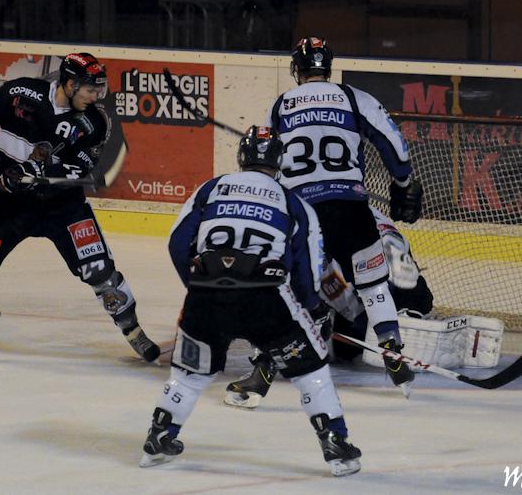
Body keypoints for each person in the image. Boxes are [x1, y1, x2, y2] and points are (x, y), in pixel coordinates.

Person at [140, 126, 361, 477]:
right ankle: (335, 442)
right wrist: (310, 306)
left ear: (242, 157)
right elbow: (308, 267)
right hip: (266, 300)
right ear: (279, 161)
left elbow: (177, 243)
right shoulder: (294, 203)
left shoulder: (211, 188)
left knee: (189, 374)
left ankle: (160, 436)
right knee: (312, 371)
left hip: (207, 297)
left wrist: (198, 286)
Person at [0, 52, 160, 363]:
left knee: (99, 272)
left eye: (98, 89)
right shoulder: (20, 93)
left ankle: (133, 330)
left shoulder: (94, 122)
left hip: (64, 209)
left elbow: (81, 170)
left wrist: (36, 173)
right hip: (8, 205)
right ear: (69, 84)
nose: (95, 96)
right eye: (90, 89)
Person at [265, 36, 424, 394]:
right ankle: (391, 347)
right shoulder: (354, 98)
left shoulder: (281, 106)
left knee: (296, 285)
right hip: (351, 206)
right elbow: (393, 145)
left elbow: (266, 161)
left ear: (297, 69)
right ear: (328, 66)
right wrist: (402, 182)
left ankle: (275, 358)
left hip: (304, 214)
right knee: (373, 284)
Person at [225, 206, 434, 408]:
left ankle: (402, 332)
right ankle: (266, 364)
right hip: (361, 317)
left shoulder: (312, 222)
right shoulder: (323, 222)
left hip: (379, 309)